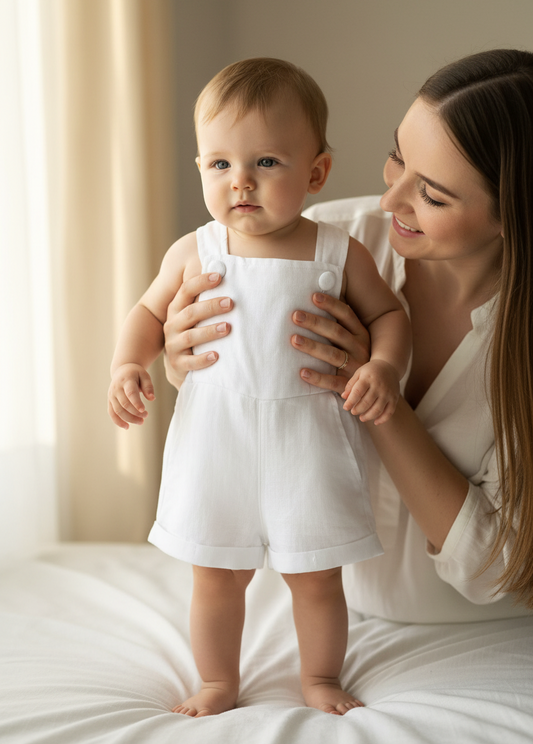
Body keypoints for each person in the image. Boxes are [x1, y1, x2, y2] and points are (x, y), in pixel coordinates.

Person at [163, 49, 533, 642]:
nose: (390, 201)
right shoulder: (328, 245)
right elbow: (245, 383)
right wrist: (188, 363)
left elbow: (501, 569)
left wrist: (377, 395)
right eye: (397, 157)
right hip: (332, 604)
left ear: (513, 216)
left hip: (468, 638)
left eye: (433, 196)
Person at [107, 58, 411, 717]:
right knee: (216, 576)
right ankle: (218, 680)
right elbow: (148, 314)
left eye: (266, 163)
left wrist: (381, 366)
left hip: (307, 441)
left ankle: (321, 679)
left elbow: (390, 316)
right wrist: (127, 363)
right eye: (219, 164)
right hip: (216, 438)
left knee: (316, 577)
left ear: (316, 172)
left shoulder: (336, 252)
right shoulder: (195, 251)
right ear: (200, 169)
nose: (239, 182)